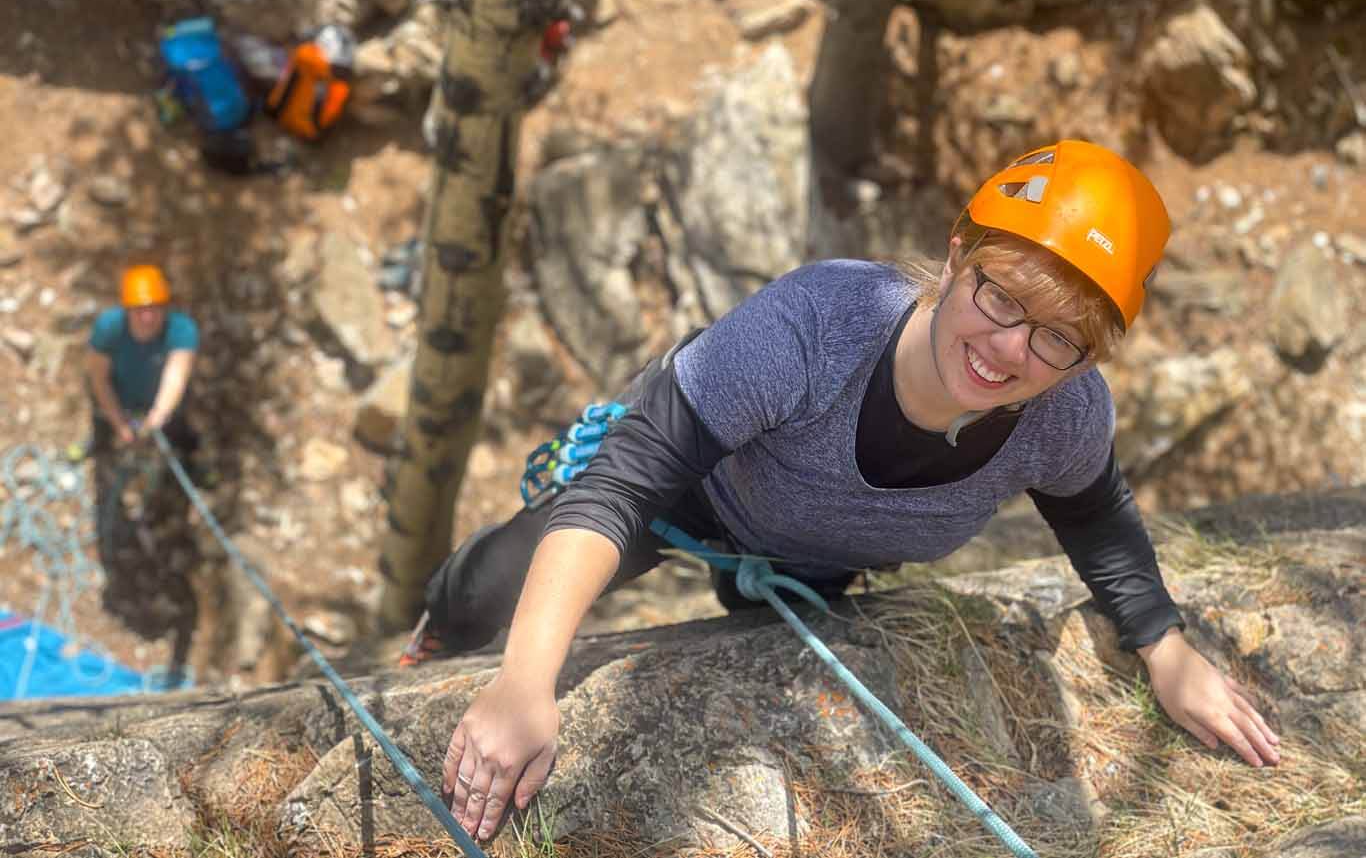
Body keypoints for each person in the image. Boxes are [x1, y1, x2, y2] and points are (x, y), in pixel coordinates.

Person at [402, 140, 1281, 844]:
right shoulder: (816, 327)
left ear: (1089, 359)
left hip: (818, 558)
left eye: (1060, 339)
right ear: (956, 254)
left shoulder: (1065, 415)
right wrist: (524, 681)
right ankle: (436, 629)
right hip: (691, 488)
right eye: (1001, 296)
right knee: (501, 580)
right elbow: (626, 482)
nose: (1009, 349)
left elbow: (1096, 515)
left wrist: (1163, 647)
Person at [86, 264, 200, 462]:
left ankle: (189, 465)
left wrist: (158, 416)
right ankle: (98, 449)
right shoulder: (108, 327)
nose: (147, 318)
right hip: (119, 396)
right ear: (127, 310)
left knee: (179, 433)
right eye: (140, 310)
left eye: (154, 308)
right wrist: (119, 423)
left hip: (160, 400)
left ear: (165, 308)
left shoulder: (182, 330)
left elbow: (176, 377)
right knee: (102, 426)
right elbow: (98, 379)